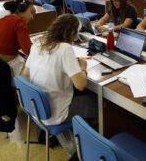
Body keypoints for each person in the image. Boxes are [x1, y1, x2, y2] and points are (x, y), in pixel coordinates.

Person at [24, 14, 96, 157]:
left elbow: (26, 74)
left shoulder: (38, 42)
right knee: (100, 106)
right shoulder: (65, 49)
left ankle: (69, 138)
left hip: (36, 110)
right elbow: (81, 85)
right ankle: (82, 152)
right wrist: (82, 67)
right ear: (71, 33)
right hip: (55, 113)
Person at [0, 0, 36, 75]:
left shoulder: (2, 20)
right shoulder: (19, 23)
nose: (32, 17)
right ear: (20, 11)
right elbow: (27, 50)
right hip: (9, 64)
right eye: (31, 12)